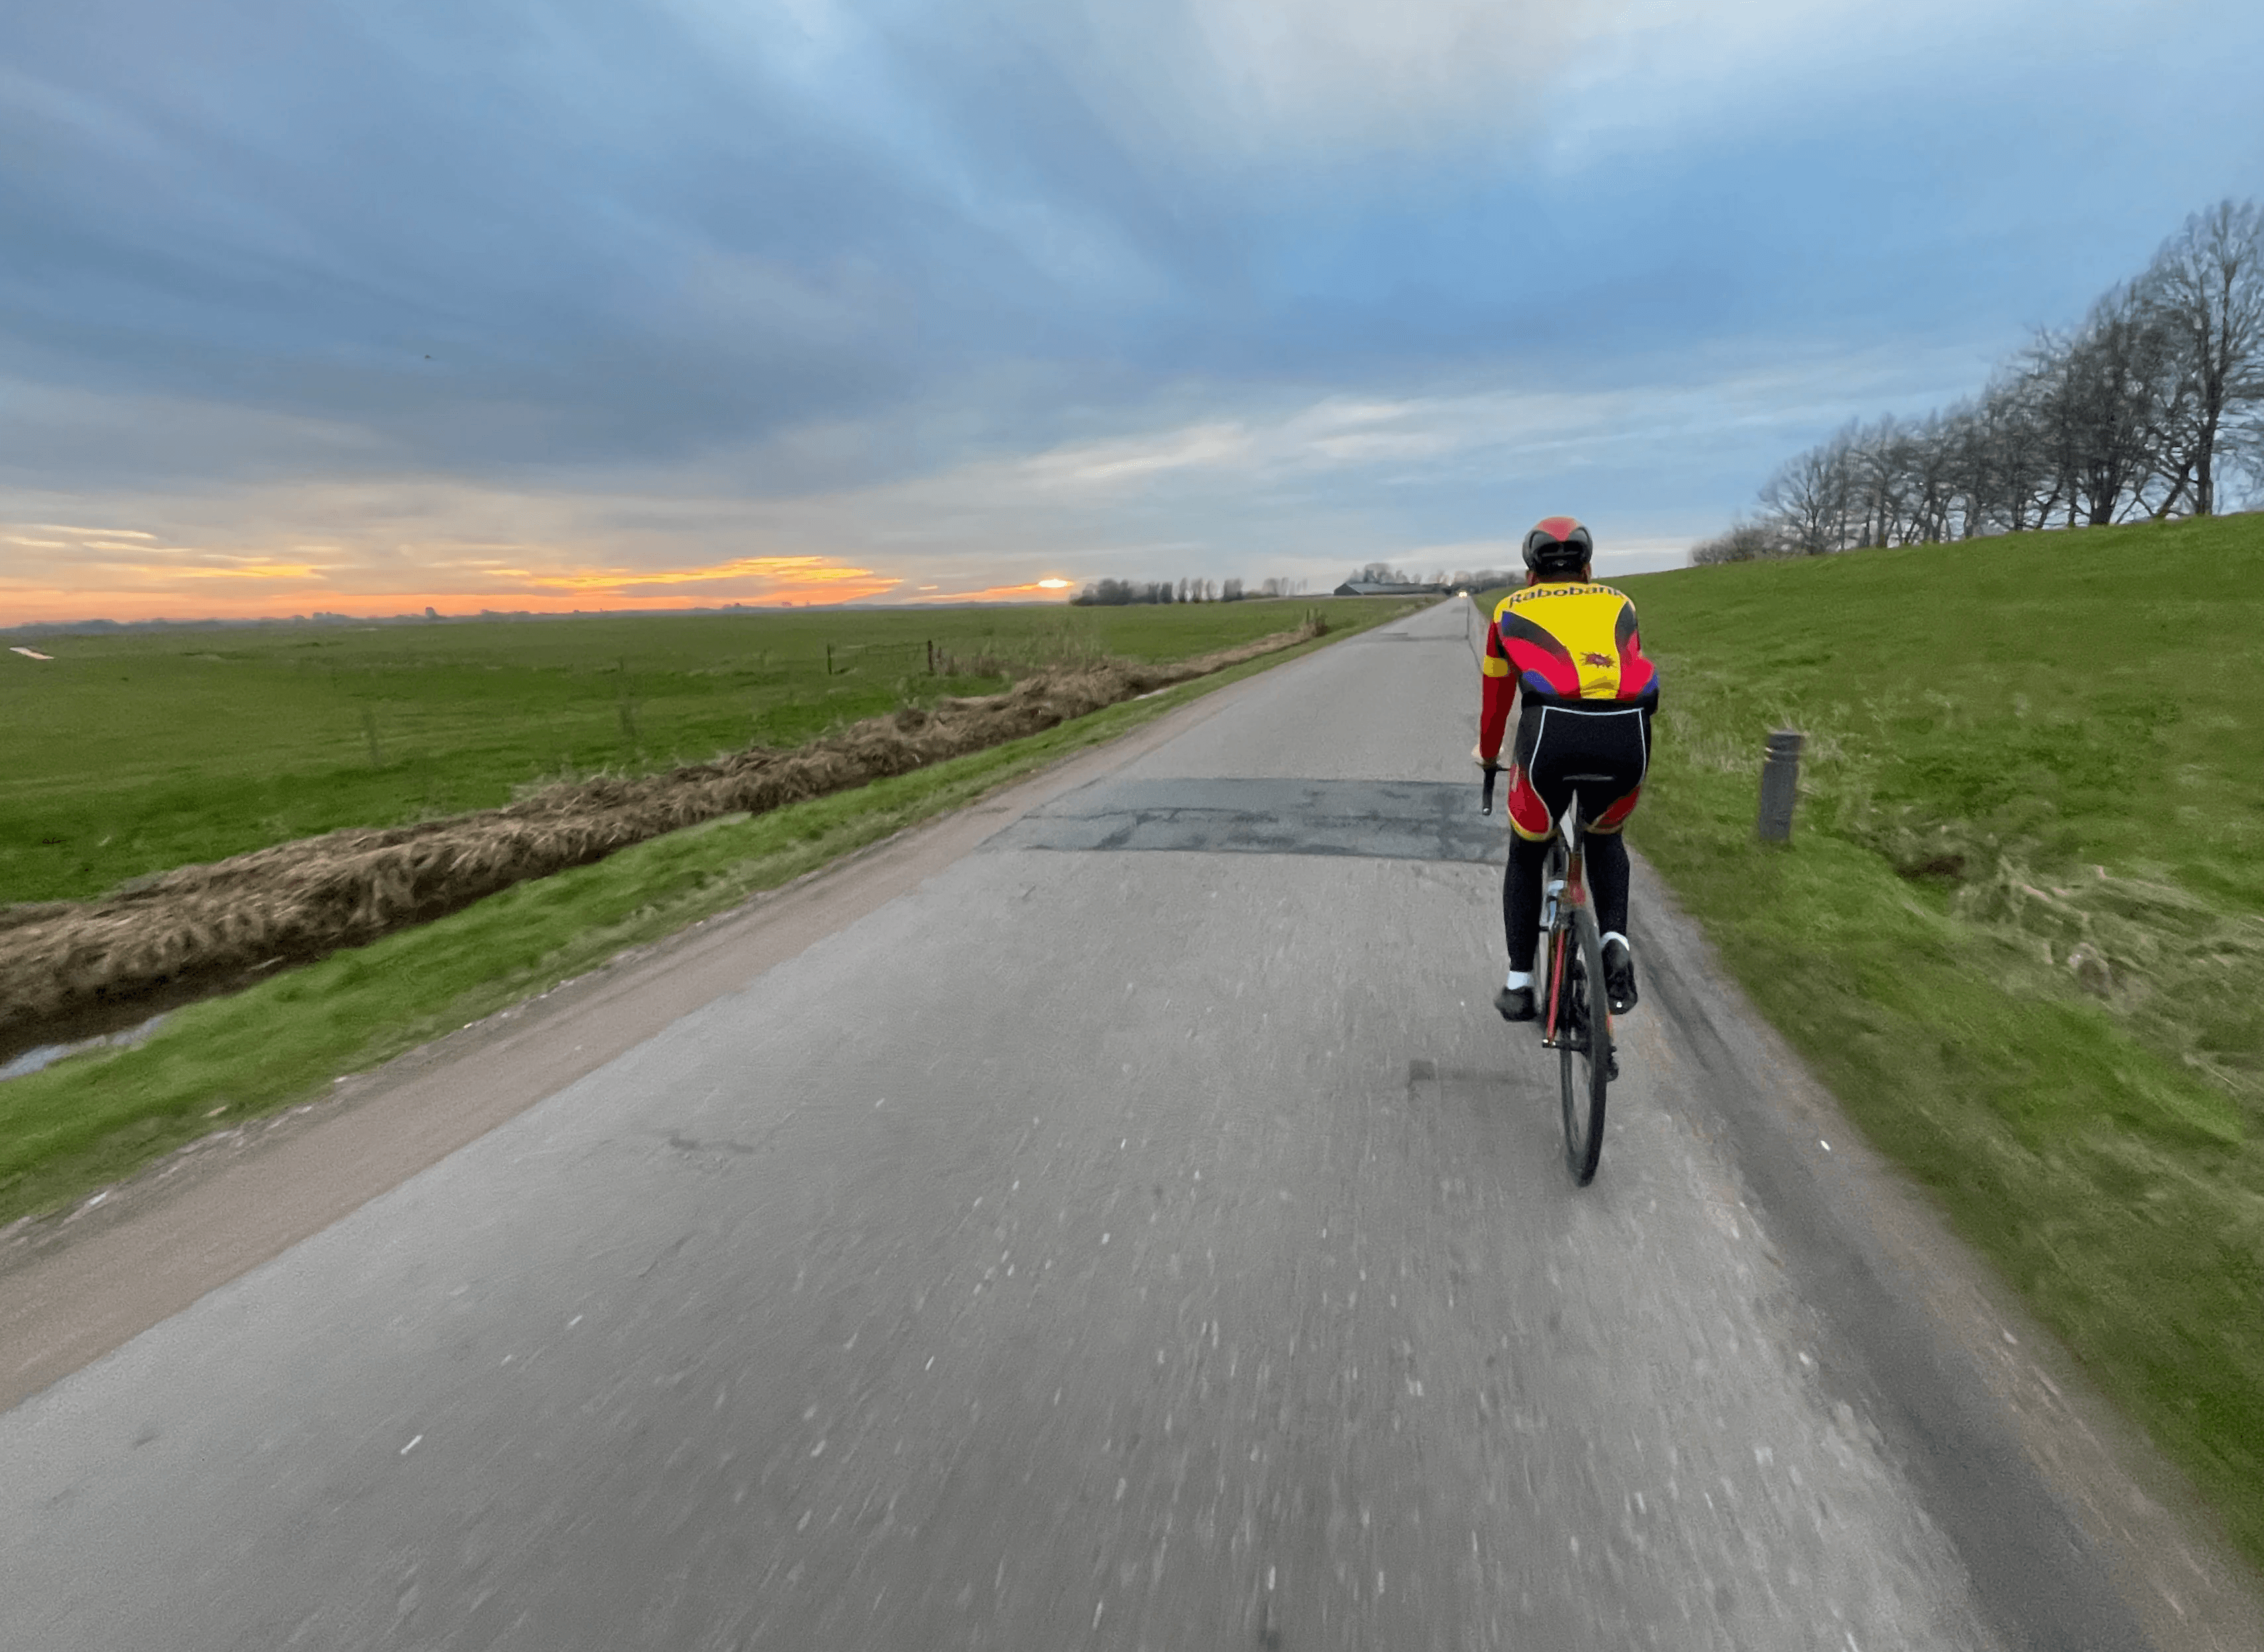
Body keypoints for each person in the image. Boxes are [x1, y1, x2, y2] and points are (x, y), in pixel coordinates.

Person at [1475, 517, 1658, 1022]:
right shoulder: (1620, 601)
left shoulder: (1508, 609)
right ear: (1588, 568)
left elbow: (1496, 702)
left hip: (1551, 734)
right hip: (1628, 732)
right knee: (1604, 837)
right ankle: (1615, 942)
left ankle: (1519, 984)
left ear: (1530, 574)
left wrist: (1489, 756)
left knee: (1526, 848)